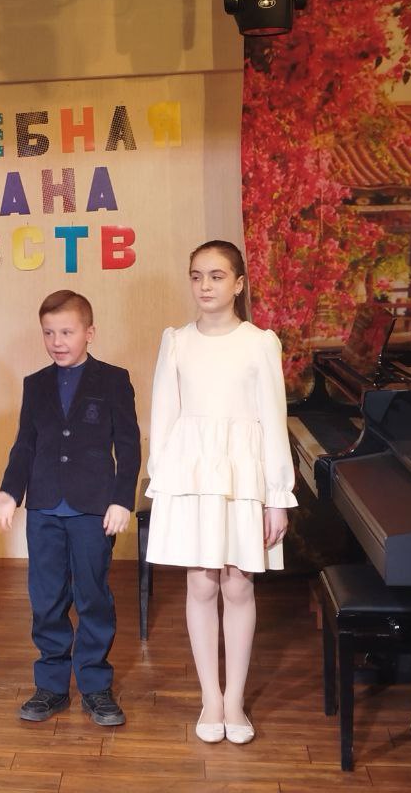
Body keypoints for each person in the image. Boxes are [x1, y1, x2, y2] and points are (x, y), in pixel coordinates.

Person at [145, 240, 296, 745]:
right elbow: (164, 415)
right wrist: (163, 481)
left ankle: (235, 701)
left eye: (216, 276)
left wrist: (277, 496)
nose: (205, 286)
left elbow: (273, 419)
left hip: (242, 475)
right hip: (192, 475)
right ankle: (211, 697)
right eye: (196, 276)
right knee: (201, 585)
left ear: (238, 283)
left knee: (237, 585)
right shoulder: (176, 341)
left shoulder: (260, 342)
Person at [0, 290, 140, 727]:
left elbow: (128, 446)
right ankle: (51, 686)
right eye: (49, 333)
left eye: (67, 332)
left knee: (93, 597)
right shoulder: (35, 384)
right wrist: (10, 493)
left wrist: (121, 499)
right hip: (45, 511)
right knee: (47, 598)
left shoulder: (113, 380)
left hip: (94, 510)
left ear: (89, 333)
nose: (57, 341)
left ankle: (95, 686)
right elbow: (24, 445)